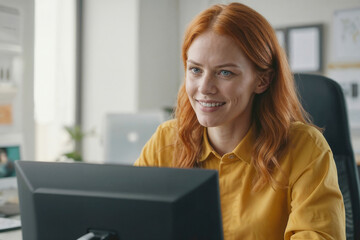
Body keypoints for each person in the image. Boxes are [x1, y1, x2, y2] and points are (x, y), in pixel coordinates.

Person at [135, 2, 345, 239]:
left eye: (225, 72)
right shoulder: (166, 141)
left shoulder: (305, 148)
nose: (204, 88)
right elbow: (128, 223)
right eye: (195, 70)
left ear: (262, 81)